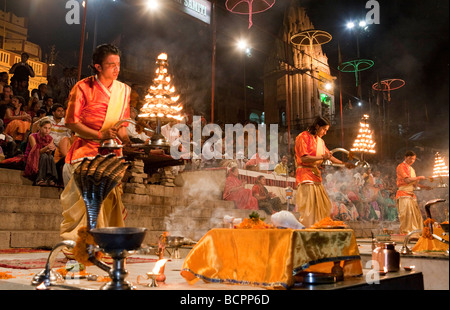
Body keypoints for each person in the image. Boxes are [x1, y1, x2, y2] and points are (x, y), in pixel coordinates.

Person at [60, 44, 132, 242]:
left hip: (111, 154)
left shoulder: (123, 90)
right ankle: (81, 247)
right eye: (111, 65)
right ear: (98, 67)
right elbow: (72, 122)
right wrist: (100, 135)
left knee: (110, 201)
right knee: (88, 202)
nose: (117, 69)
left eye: (118, 64)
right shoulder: (83, 87)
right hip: (86, 151)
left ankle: (106, 244)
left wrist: (128, 142)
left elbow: (122, 126)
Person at [294, 115, 351, 227]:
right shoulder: (303, 137)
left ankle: (318, 228)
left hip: (316, 176)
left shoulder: (320, 141)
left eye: (327, 130)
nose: (325, 132)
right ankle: (308, 229)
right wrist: (322, 157)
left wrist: (344, 164)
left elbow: (329, 156)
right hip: (305, 176)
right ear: (317, 126)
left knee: (323, 205)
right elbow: (304, 158)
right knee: (309, 209)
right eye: (324, 129)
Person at [395, 150, 429, 234]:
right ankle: (407, 233)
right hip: (403, 193)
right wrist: (419, 177)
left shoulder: (412, 169)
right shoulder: (401, 166)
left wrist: (425, 187)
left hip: (411, 194)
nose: (412, 161)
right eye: (410, 158)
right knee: (407, 215)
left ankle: (415, 233)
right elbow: (407, 180)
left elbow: (414, 185)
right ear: (405, 157)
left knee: (416, 216)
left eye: (414, 159)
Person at [23, 118, 58, 186]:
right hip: (31, 158)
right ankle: (40, 179)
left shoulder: (50, 138)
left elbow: (49, 154)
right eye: (45, 128)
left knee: (50, 157)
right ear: (40, 127)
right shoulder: (32, 136)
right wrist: (46, 148)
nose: (47, 130)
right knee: (44, 156)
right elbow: (35, 152)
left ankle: (51, 178)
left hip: (43, 158)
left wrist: (51, 149)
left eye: (49, 128)